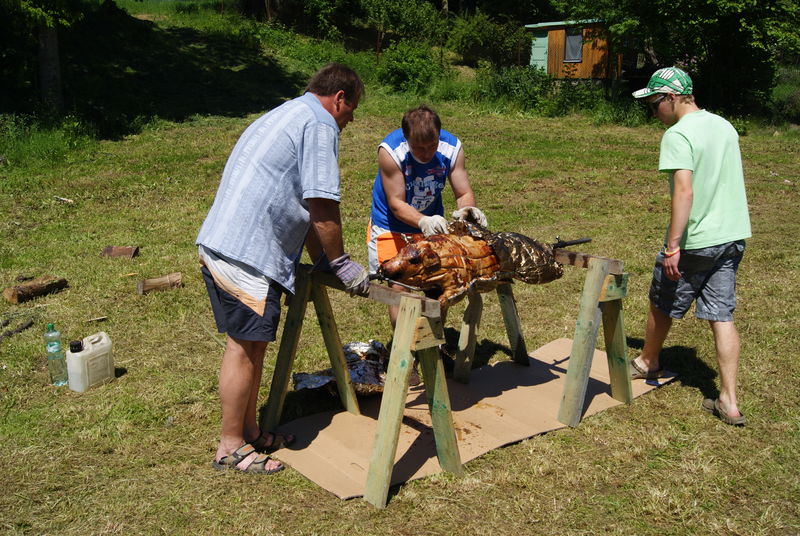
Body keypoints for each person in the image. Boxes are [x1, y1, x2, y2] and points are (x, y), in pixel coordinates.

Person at [196, 63, 371, 474]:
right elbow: (321, 203)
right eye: (352, 109)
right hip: (246, 254)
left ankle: (250, 432)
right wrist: (341, 262)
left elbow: (304, 206)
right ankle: (230, 446)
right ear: (339, 98)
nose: (350, 120)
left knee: (254, 345)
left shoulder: (290, 111)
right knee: (243, 347)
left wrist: (324, 260)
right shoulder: (320, 124)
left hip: (229, 243)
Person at [631, 67, 751, 426]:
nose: (653, 113)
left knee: (662, 296)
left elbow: (684, 191)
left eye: (654, 104)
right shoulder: (724, 126)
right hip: (732, 237)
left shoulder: (678, 134)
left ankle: (648, 361)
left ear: (671, 98)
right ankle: (729, 401)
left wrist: (673, 246)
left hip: (697, 240)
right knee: (721, 315)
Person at [367, 104, 487, 329]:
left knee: (438, 284)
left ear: (438, 135)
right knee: (399, 286)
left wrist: (467, 212)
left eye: (432, 146)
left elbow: (463, 193)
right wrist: (423, 221)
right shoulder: (391, 151)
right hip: (390, 225)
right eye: (419, 148)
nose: (426, 153)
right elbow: (396, 204)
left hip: (432, 224)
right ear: (406, 139)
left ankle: (433, 343)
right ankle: (405, 346)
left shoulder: (451, 148)